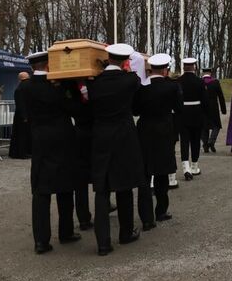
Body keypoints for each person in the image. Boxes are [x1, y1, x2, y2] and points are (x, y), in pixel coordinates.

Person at [86, 43, 145, 255]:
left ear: (108, 58)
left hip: (101, 135)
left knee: (102, 189)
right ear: (125, 61)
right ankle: (125, 233)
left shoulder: (93, 82)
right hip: (124, 137)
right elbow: (137, 94)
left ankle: (103, 243)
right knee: (124, 185)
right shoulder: (130, 80)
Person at [23, 52, 81, 254]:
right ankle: (66, 232)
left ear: (33, 67)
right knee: (66, 186)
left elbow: (24, 113)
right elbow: (75, 108)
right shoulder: (61, 85)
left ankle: (41, 240)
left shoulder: (25, 87)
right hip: (63, 138)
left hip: (40, 140)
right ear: (49, 65)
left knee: (41, 190)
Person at [134, 53, 181, 230]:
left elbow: (135, 110)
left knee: (145, 175)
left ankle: (146, 218)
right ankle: (161, 210)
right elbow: (179, 108)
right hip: (164, 131)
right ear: (165, 70)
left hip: (144, 131)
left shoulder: (141, 87)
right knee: (162, 173)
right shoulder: (172, 87)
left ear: (151, 69)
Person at [176, 57, 208, 180]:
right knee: (195, 140)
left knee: (184, 141)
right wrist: (205, 114)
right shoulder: (200, 81)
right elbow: (205, 100)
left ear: (184, 67)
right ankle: (194, 166)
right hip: (196, 114)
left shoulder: (178, 81)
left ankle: (186, 168)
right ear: (194, 67)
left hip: (183, 114)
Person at [73, 82, 93, 231]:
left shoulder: (70, 86)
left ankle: (84, 218)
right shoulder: (96, 85)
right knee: (101, 175)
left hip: (79, 133)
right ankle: (103, 206)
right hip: (96, 132)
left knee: (80, 180)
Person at [201, 67, 226, 153]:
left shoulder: (199, 82)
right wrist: (223, 109)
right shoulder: (215, 82)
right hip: (213, 107)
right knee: (216, 126)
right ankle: (211, 141)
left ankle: (205, 145)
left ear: (203, 73)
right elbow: (220, 96)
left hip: (202, 107)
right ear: (210, 73)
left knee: (204, 127)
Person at [8, 71, 31, 159]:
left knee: (19, 134)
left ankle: (18, 152)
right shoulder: (28, 87)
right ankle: (23, 153)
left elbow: (20, 103)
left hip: (21, 115)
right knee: (25, 135)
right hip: (25, 114)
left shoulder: (19, 88)